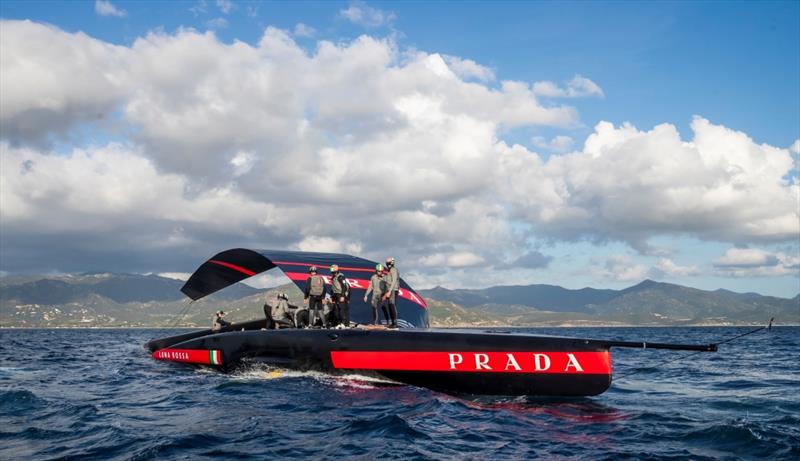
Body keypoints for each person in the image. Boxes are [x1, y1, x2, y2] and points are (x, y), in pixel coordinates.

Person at [382, 257, 399, 328]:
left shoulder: (393, 270)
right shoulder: (389, 272)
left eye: (388, 263)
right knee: (390, 306)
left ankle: (395, 323)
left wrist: (389, 291)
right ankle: (392, 323)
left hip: (393, 290)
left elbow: (394, 281)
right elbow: (387, 281)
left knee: (392, 305)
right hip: (390, 290)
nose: (387, 264)